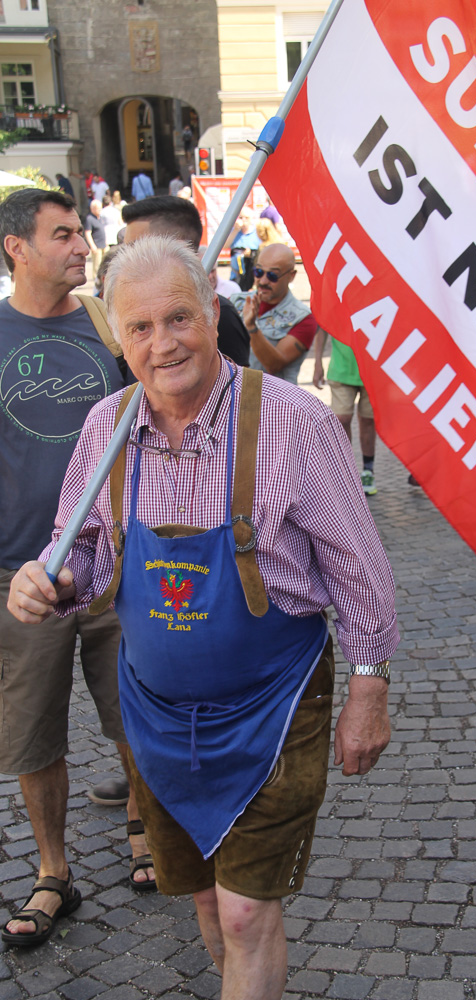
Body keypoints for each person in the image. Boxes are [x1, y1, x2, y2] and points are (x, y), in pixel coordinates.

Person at [8, 235, 399, 1000]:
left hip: (274, 707)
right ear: (117, 338)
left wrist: (368, 689)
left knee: (247, 914)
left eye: (179, 318)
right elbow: (80, 550)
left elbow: (358, 569)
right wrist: (49, 581)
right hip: (155, 717)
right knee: (205, 902)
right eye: (140, 327)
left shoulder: (292, 422)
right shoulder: (106, 427)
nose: (163, 344)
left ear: (212, 312)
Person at [0, 189, 155, 947]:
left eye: (79, 233)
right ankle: (53, 871)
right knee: (33, 733)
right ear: (16, 248)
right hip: (21, 574)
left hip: (115, 563)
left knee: (135, 710)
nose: (82, 246)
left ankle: (144, 827)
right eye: (62, 235)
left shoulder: (105, 322)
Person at [121, 194, 249, 366]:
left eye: (179, 319)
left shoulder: (221, 316)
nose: (161, 347)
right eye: (142, 328)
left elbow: (237, 380)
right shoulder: (126, 313)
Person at [231, 243, 318, 383]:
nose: (263, 281)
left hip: (269, 395)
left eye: (273, 275)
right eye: (258, 272)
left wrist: (251, 327)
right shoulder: (235, 302)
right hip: (232, 392)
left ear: (291, 276)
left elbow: (274, 365)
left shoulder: (303, 318)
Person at [313, 329, 378, 495]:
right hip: (341, 369)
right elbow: (322, 328)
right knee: (341, 419)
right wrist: (317, 362)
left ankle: (368, 470)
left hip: (372, 369)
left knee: (368, 420)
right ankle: (346, 472)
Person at [225, 206, 260, 287]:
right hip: (236, 276)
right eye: (241, 217)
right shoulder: (234, 231)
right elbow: (224, 246)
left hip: (252, 276)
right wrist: (235, 230)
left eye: (246, 218)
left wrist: (251, 253)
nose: (243, 220)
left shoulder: (257, 233)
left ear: (251, 219)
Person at [84, 199, 107, 277]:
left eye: (101, 208)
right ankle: (97, 280)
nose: (100, 210)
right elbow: (88, 233)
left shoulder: (100, 218)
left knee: (105, 265)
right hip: (96, 245)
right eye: (98, 209)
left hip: (103, 244)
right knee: (97, 266)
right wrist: (92, 245)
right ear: (92, 209)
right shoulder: (89, 219)